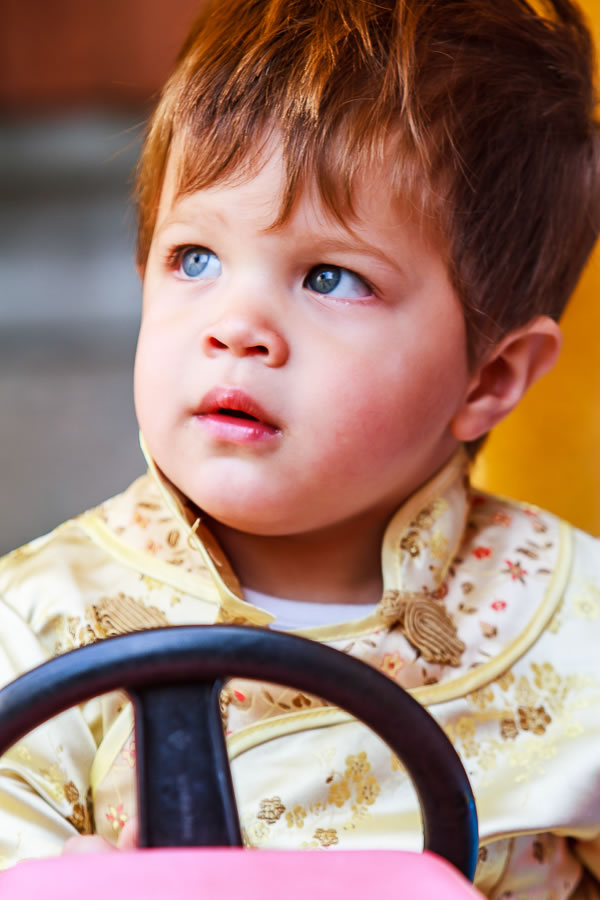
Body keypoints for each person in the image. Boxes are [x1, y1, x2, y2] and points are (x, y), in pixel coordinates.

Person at [0, 0, 598, 895]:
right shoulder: (34, 625)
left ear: (490, 377)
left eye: (331, 277)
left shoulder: (575, 627)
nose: (235, 325)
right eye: (195, 258)